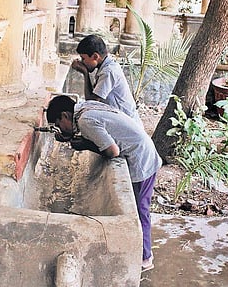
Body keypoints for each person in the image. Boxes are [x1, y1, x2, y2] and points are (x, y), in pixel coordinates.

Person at [46, 95, 162, 271]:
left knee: (140, 211)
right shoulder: (85, 108)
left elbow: (112, 150)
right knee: (139, 209)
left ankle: (146, 257)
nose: (59, 129)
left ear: (64, 116)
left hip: (142, 160)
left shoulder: (84, 121)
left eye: (58, 124)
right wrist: (72, 138)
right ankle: (142, 250)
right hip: (142, 151)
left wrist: (85, 145)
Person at [70, 34, 142, 126]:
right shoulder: (106, 67)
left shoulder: (109, 72)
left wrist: (85, 73)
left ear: (95, 56)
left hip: (129, 125)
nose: (82, 62)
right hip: (121, 121)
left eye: (83, 58)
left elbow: (92, 102)